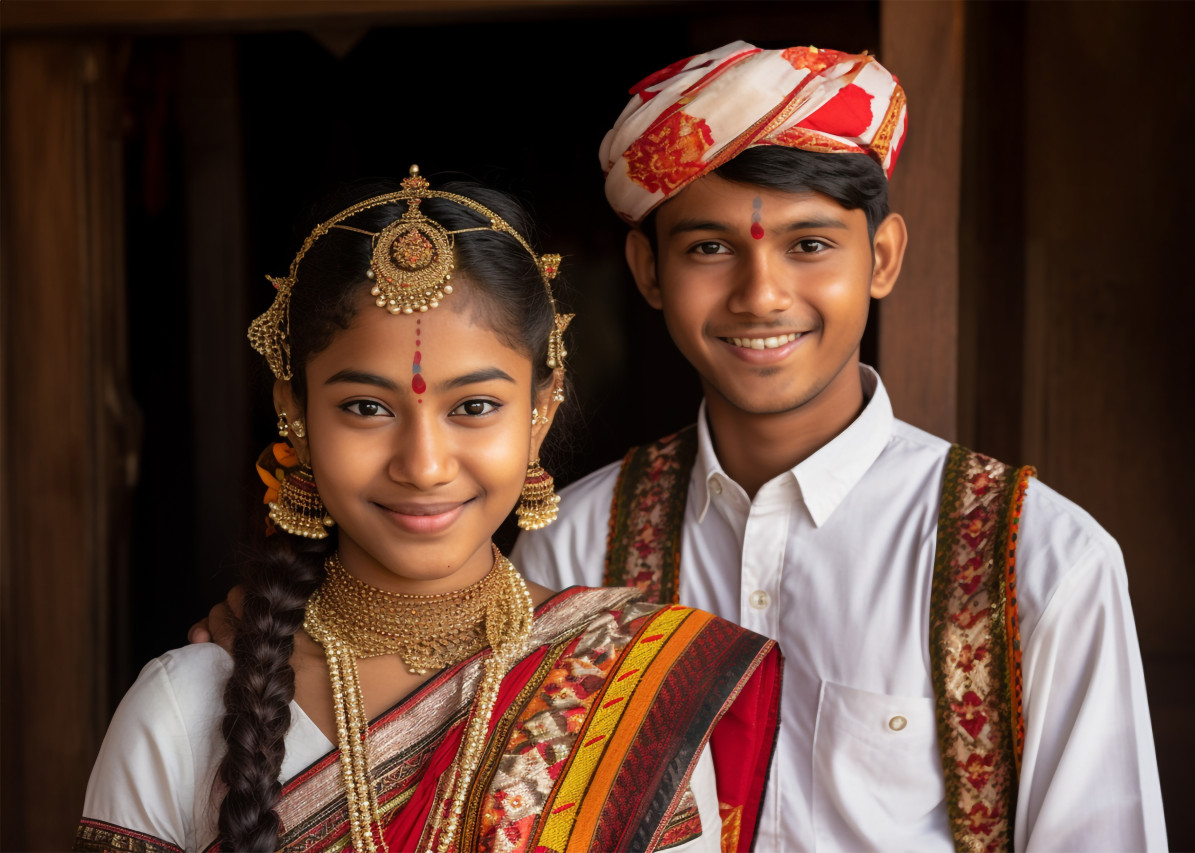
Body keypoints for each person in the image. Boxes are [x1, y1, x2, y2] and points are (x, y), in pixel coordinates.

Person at [513, 42, 1167, 851]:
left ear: (882, 257)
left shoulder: (1041, 563)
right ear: (648, 270)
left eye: (809, 245)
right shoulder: (568, 550)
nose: (761, 294)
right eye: (710, 248)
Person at [77, 170, 781, 853]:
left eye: (474, 407)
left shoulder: (633, 692)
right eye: (366, 408)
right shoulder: (181, 709)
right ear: (293, 411)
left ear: (540, 410)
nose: (423, 463)